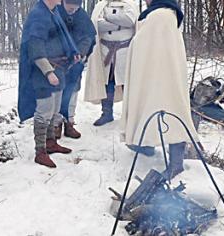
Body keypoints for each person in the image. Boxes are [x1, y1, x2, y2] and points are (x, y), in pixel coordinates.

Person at [121, 0, 199, 179]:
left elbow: (143, 43)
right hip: (157, 71)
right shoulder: (165, 14)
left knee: (172, 110)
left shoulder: (160, 15)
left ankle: (175, 164)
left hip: (161, 73)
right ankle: (145, 144)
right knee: (155, 107)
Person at [18, 0, 80, 168]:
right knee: (44, 111)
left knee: (55, 109)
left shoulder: (54, 12)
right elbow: (34, 45)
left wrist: (72, 52)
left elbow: (61, 39)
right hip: (42, 73)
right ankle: (40, 152)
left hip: (58, 69)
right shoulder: (38, 14)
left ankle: (51, 143)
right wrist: (48, 72)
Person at [84, 0, 138, 126]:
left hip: (125, 51)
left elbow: (129, 20)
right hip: (105, 50)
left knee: (127, 83)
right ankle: (107, 114)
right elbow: (98, 24)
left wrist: (108, 17)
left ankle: (131, 115)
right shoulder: (101, 5)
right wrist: (119, 25)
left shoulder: (130, 5)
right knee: (107, 82)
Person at [54, 0, 96, 139]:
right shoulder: (54, 12)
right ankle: (55, 124)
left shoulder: (82, 17)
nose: (72, 11)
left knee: (72, 91)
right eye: (69, 8)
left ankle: (69, 123)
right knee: (57, 92)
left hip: (76, 61)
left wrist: (81, 53)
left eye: (75, 9)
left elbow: (88, 37)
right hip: (57, 61)